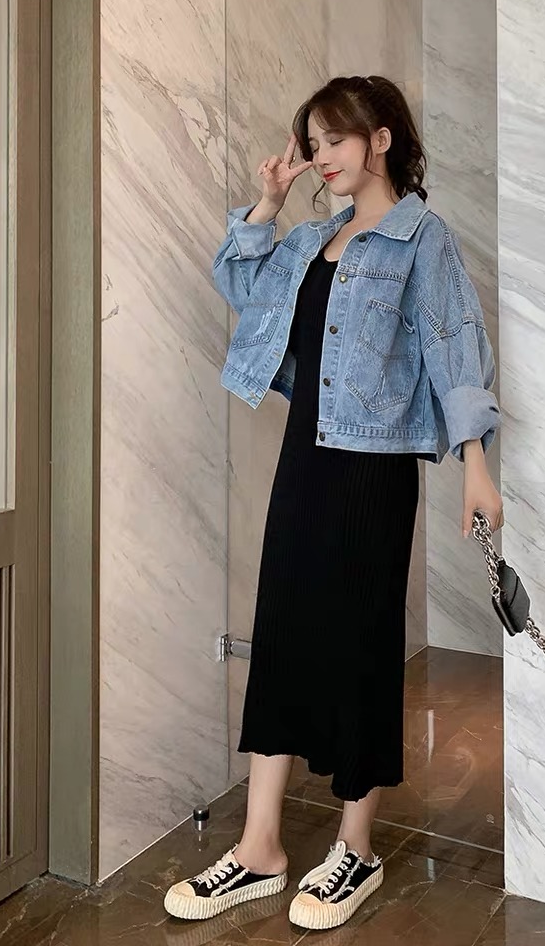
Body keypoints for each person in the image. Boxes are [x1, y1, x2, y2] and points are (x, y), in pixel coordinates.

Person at [164, 75, 503, 931]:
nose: (320, 156)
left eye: (334, 139)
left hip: (373, 468)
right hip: (305, 458)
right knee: (282, 632)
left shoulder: (422, 237)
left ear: (381, 138)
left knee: (360, 646)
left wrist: (476, 465)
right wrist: (267, 204)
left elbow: (456, 347)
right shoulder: (311, 237)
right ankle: (260, 848)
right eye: (311, 143)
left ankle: (355, 847)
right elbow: (241, 288)